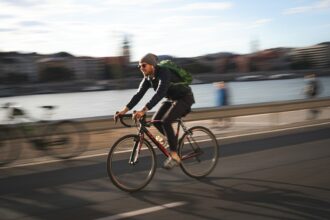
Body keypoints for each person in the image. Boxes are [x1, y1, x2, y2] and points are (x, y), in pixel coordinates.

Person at [115, 53, 195, 169]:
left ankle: (174, 155)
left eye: (144, 65)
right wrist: (123, 110)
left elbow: (160, 93)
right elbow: (138, 95)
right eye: (139, 66)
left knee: (166, 121)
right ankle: (173, 141)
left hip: (184, 98)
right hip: (172, 99)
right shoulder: (148, 78)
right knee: (156, 121)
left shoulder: (164, 72)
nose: (141, 68)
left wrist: (143, 110)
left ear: (152, 65)